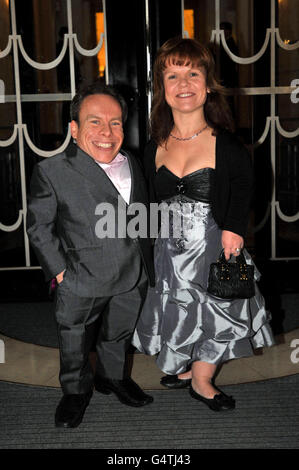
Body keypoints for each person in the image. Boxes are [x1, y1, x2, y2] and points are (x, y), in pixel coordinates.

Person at [132, 37, 274, 412]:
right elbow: (145, 199)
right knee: (180, 309)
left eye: (193, 73)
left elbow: (245, 184)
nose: (183, 84)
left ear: (208, 83)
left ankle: (201, 379)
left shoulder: (224, 143)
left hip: (212, 244)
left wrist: (234, 227)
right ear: (162, 87)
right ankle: (188, 367)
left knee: (216, 308)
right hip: (168, 250)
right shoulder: (155, 144)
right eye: (173, 75)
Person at [26, 82, 155, 428]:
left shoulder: (132, 161)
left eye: (115, 123)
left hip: (132, 274)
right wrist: (60, 273)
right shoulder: (52, 171)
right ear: (74, 128)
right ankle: (75, 391)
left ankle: (112, 377)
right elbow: (39, 226)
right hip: (81, 277)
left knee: (118, 332)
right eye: (94, 122)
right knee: (74, 339)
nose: (106, 132)